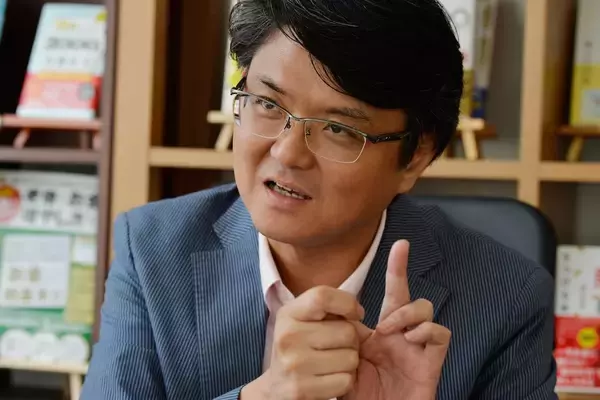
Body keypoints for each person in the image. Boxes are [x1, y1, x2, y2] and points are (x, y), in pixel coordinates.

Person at [81, 0, 557, 399]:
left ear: (416, 156)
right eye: (267, 104)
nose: (287, 153)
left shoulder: (504, 298)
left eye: (337, 129)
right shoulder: (155, 250)